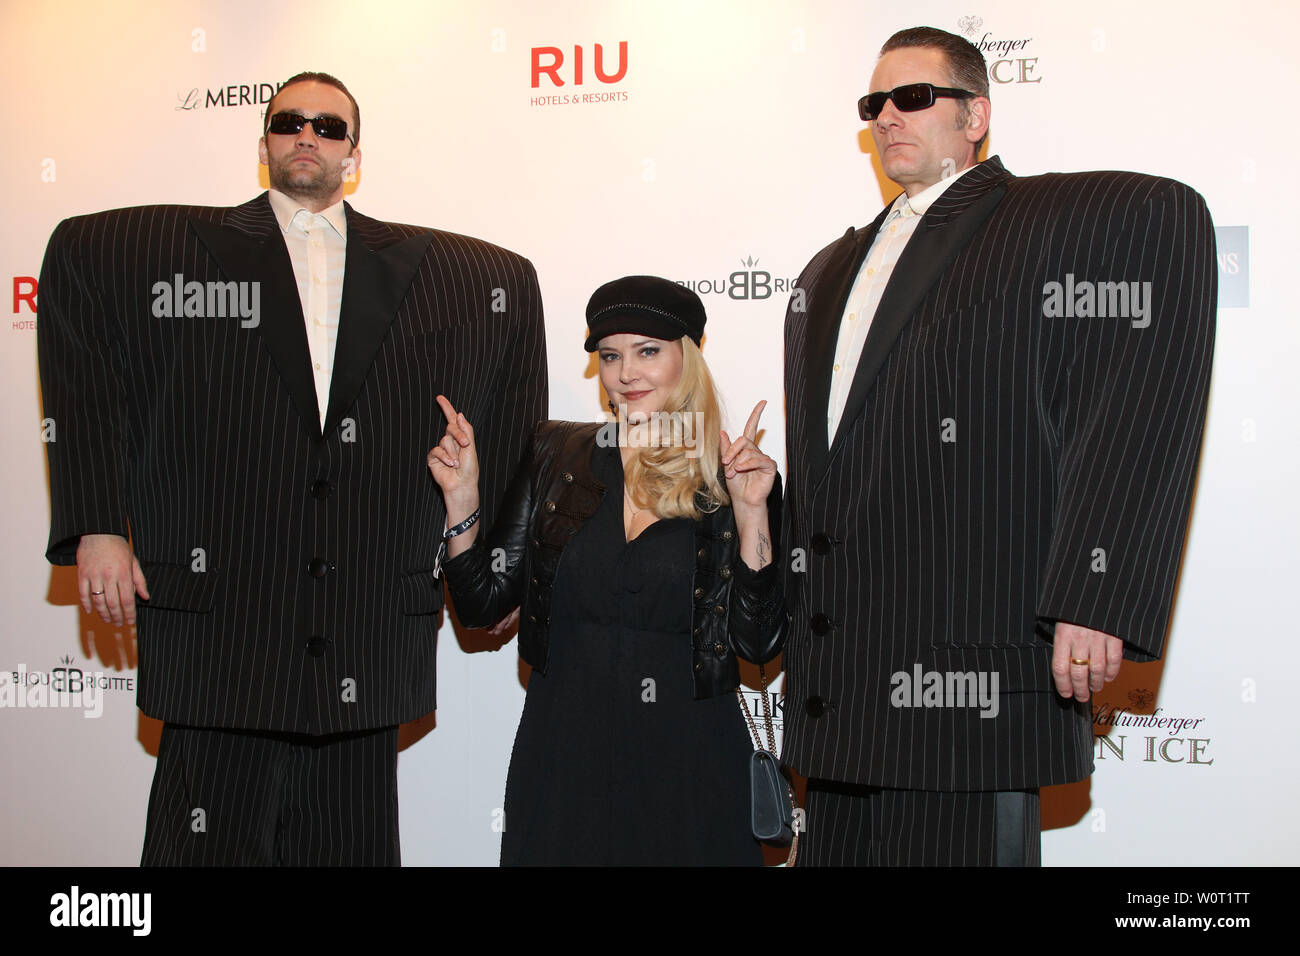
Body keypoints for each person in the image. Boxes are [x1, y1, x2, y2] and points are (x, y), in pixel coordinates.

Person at [37, 71, 547, 865]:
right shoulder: (153, 252)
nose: (307, 135)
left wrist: (501, 567)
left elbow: (514, 416)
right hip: (224, 627)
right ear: (266, 141)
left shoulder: (462, 276)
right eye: (288, 121)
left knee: (345, 847)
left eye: (329, 126)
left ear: (354, 155)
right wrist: (98, 521)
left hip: (362, 626)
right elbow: (76, 313)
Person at [780, 27, 1216, 865]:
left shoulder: (1050, 221)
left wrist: (1097, 585)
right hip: (841, 696)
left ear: (976, 113)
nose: (889, 117)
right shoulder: (826, 270)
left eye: (915, 97)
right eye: (875, 105)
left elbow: (1171, 227)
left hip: (964, 691)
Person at [429, 276, 787, 865]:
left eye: (648, 351)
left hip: (691, 757)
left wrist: (751, 512)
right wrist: (462, 500)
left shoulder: (737, 472)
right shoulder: (557, 453)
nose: (626, 373)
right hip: (563, 751)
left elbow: (757, 640)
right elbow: (481, 607)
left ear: (686, 358)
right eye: (611, 355)